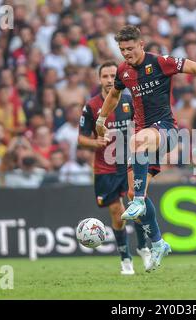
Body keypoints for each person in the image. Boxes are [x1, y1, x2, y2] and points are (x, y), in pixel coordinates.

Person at [95, 25, 196, 272]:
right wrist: (101, 119)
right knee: (134, 195)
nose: (126, 54)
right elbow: (113, 95)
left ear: (141, 45)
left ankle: (140, 205)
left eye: (130, 48)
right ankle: (157, 243)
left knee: (136, 142)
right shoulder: (123, 71)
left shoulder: (160, 63)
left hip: (166, 129)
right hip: (145, 140)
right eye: (122, 49)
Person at [80, 60, 151, 275]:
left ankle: (143, 248)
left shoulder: (129, 101)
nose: (110, 80)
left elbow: (141, 126)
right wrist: (96, 142)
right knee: (116, 211)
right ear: (99, 79)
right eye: (105, 76)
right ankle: (125, 259)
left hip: (128, 164)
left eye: (113, 76)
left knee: (135, 206)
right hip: (105, 168)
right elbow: (82, 139)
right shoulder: (91, 106)